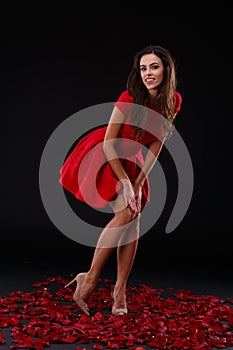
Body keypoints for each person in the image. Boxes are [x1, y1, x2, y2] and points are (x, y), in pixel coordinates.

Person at [59, 45, 182, 316]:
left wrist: (138, 183)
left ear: (166, 69)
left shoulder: (173, 100)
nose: (148, 73)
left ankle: (119, 290)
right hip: (106, 154)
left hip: (133, 161)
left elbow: (156, 145)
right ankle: (90, 278)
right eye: (143, 68)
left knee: (133, 215)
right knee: (127, 212)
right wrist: (125, 182)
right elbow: (108, 144)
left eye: (154, 67)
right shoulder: (129, 97)